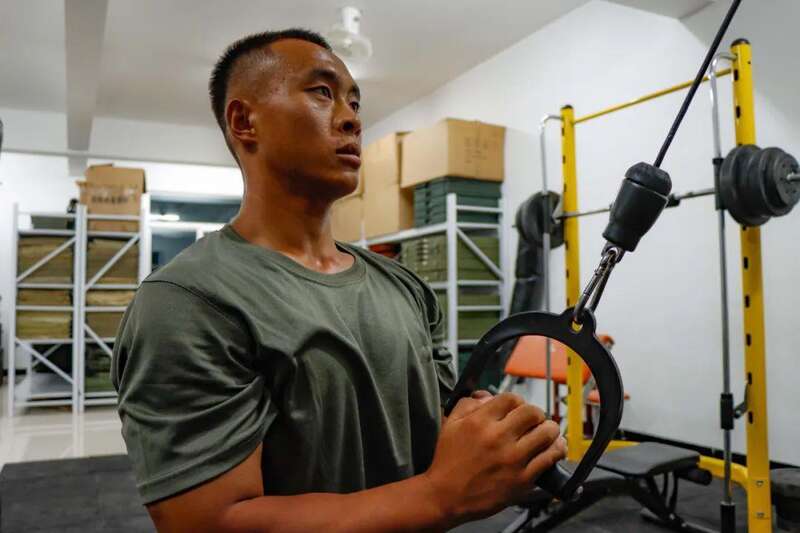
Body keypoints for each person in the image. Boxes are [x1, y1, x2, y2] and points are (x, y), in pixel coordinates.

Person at [112, 28, 566, 532]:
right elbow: (207, 522)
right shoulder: (187, 303)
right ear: (244, 121)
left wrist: (494, 441)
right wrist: (440, 496)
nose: (351, 118)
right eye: (322, 92)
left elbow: (438, 429)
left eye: (354, 101)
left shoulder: (405, 287)